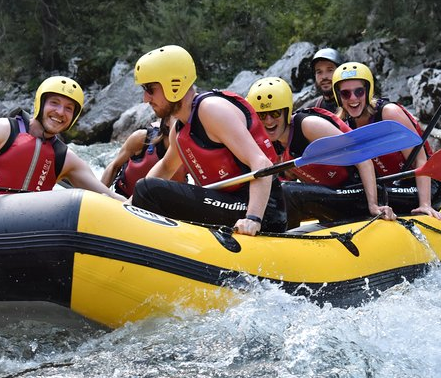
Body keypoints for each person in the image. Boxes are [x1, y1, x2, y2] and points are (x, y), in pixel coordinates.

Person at [131, 44, 286, 235]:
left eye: (150, 89)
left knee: (148, 189)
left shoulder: (211, 110)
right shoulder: (179, 129)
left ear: (173, 84)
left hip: (261, 210)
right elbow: (166, 168)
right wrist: (128, 205)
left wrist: (253, 218)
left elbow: (260, 162)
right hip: (225, 202)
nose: (146, 99)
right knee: (144, 189)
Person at [0, 75, 125, 201]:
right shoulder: (2, 129)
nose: (60, 112)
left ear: (74, 117)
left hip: (28, 231)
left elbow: (105, 196)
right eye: (54, 103)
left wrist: (134, 205)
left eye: (69, 108)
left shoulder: (66, 158)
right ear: (40, 104)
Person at [247, 77, 395, 228]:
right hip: (333, 197)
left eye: (275, 113)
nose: (269, 121)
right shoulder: (272, 143)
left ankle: (281, 238)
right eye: (262, 115)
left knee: (288, 192)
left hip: (359, 192)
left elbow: (362, 158)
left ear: (287, 111)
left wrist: (374, 205)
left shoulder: (309, 125)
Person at [332, 62, 441, 220]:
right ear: (338, 96)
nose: (353, 98)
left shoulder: (389, 113)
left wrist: (425, 204)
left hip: (423, 187)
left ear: (368, 92)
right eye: (345, 94)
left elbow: (420, 159)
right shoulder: (343, 124)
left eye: (359, 92)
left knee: (356, 197)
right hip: (389, 187)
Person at [100, 116, 187, 197]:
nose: (183, 124)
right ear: (167, 121)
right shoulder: (141, 138)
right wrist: (98, 195)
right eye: (178, 119)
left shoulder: (189, 152)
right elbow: (114, 166)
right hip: (124, 196)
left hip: (159, 209)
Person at [300, 47, 346, 112]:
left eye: (330, 70)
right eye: (319, 72)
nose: (324, 77)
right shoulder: (311, 110)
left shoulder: (355, 104)